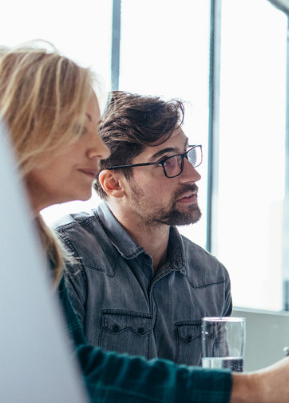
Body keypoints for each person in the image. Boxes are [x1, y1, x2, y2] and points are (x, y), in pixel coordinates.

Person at [0, 44, 289, 403]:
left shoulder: (35, 243)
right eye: (77, 128)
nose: (98, 148)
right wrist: (258, 387)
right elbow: (71, 378)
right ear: (21, 128)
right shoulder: (48, 251)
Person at [55, 91, 230, 366]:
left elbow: (224, 387)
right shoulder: (65, 257)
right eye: (167, 161)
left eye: (187, 155)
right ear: (114, 183)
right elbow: (67, 384)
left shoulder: (212, 277)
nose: (193, 175)